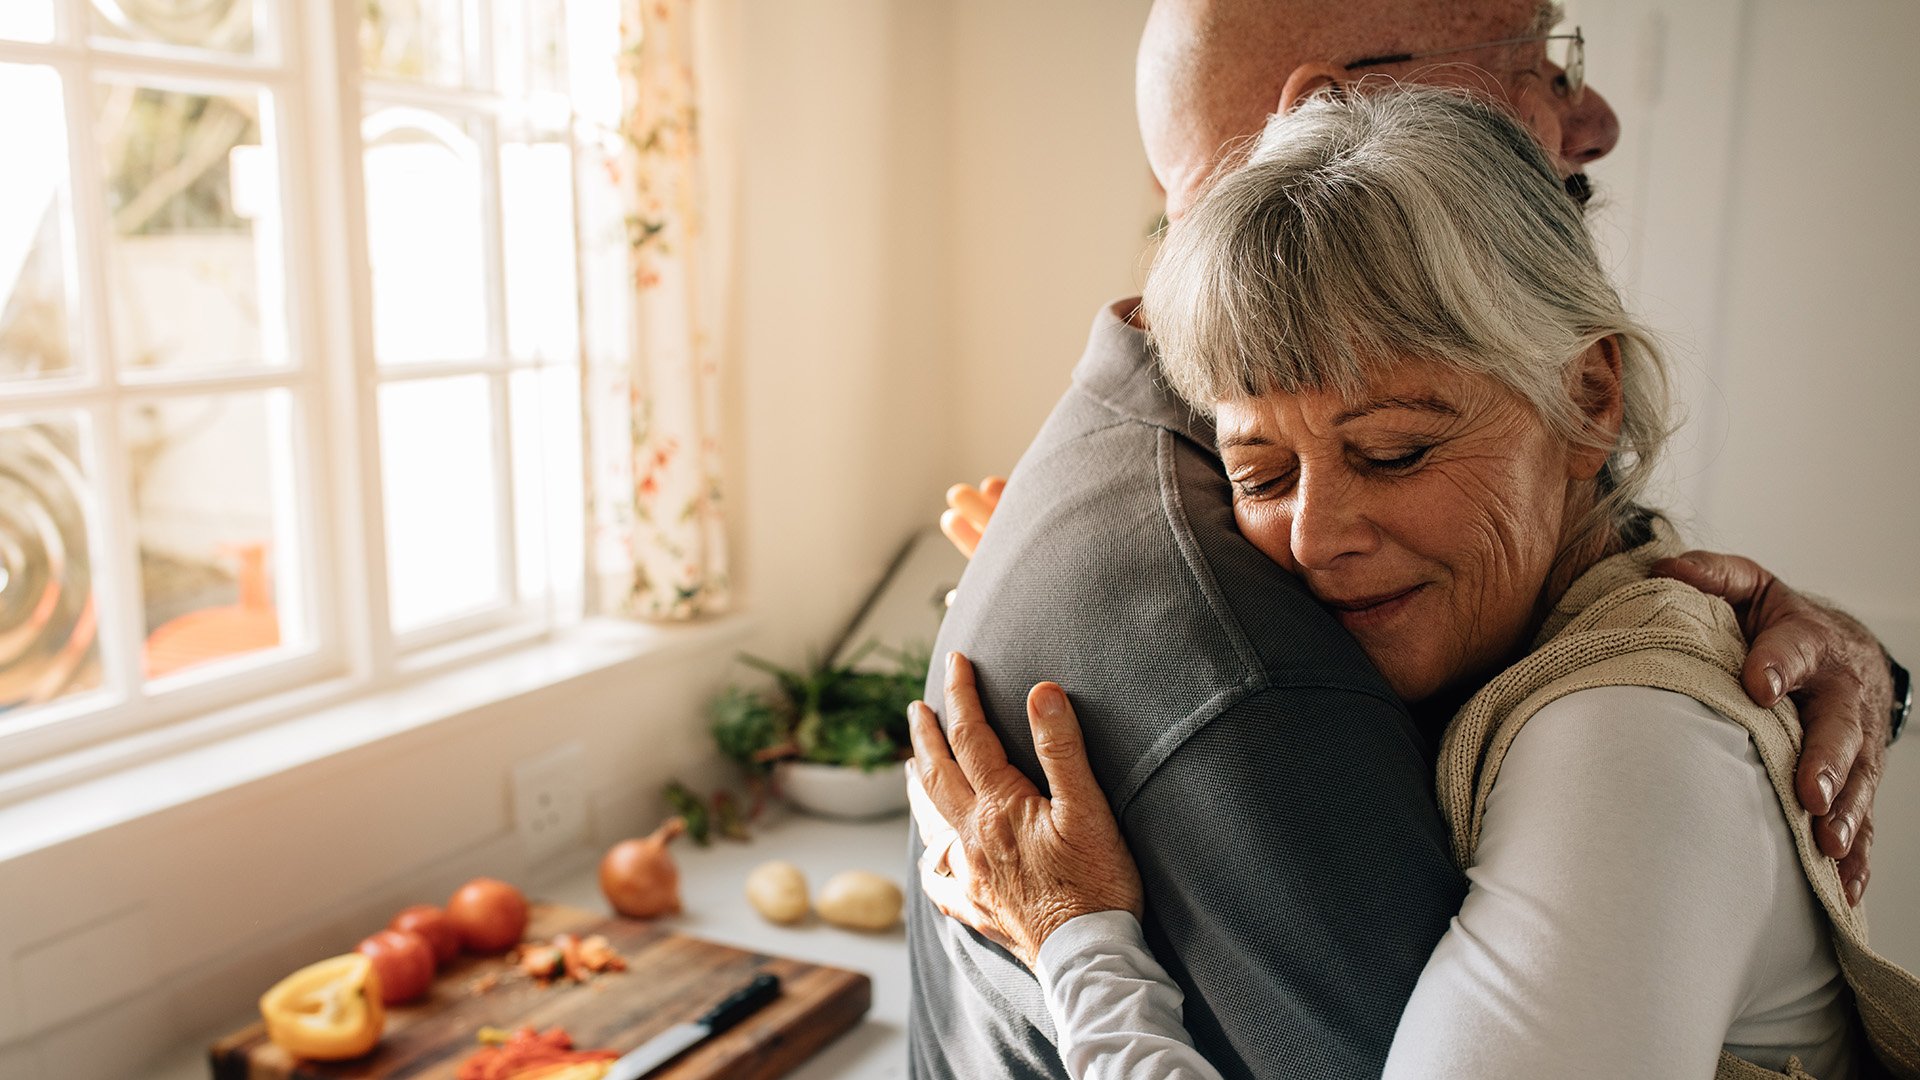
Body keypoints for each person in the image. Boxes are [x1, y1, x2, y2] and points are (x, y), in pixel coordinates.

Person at [905, 2, 1904, 1078]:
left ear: (1590, 396)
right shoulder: (1514, 604)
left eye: (1393, 455)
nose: (1318, 537)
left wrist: (1078, 943)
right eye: (1260, 474)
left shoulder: (1624, 753)